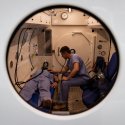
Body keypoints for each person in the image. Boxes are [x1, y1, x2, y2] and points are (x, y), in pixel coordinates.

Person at [51, 46, 90, 110]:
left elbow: (76, 69)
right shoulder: (69, 60)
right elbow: (64, 71)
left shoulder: (74, 56)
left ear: (65, 53)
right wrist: (54, 71)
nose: (62, 56)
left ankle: (63, 103)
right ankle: (60, 98)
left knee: (65, 83)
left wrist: (67, 78)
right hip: (77, 76)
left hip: (83, 78)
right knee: (61, 75)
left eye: (62, 55)